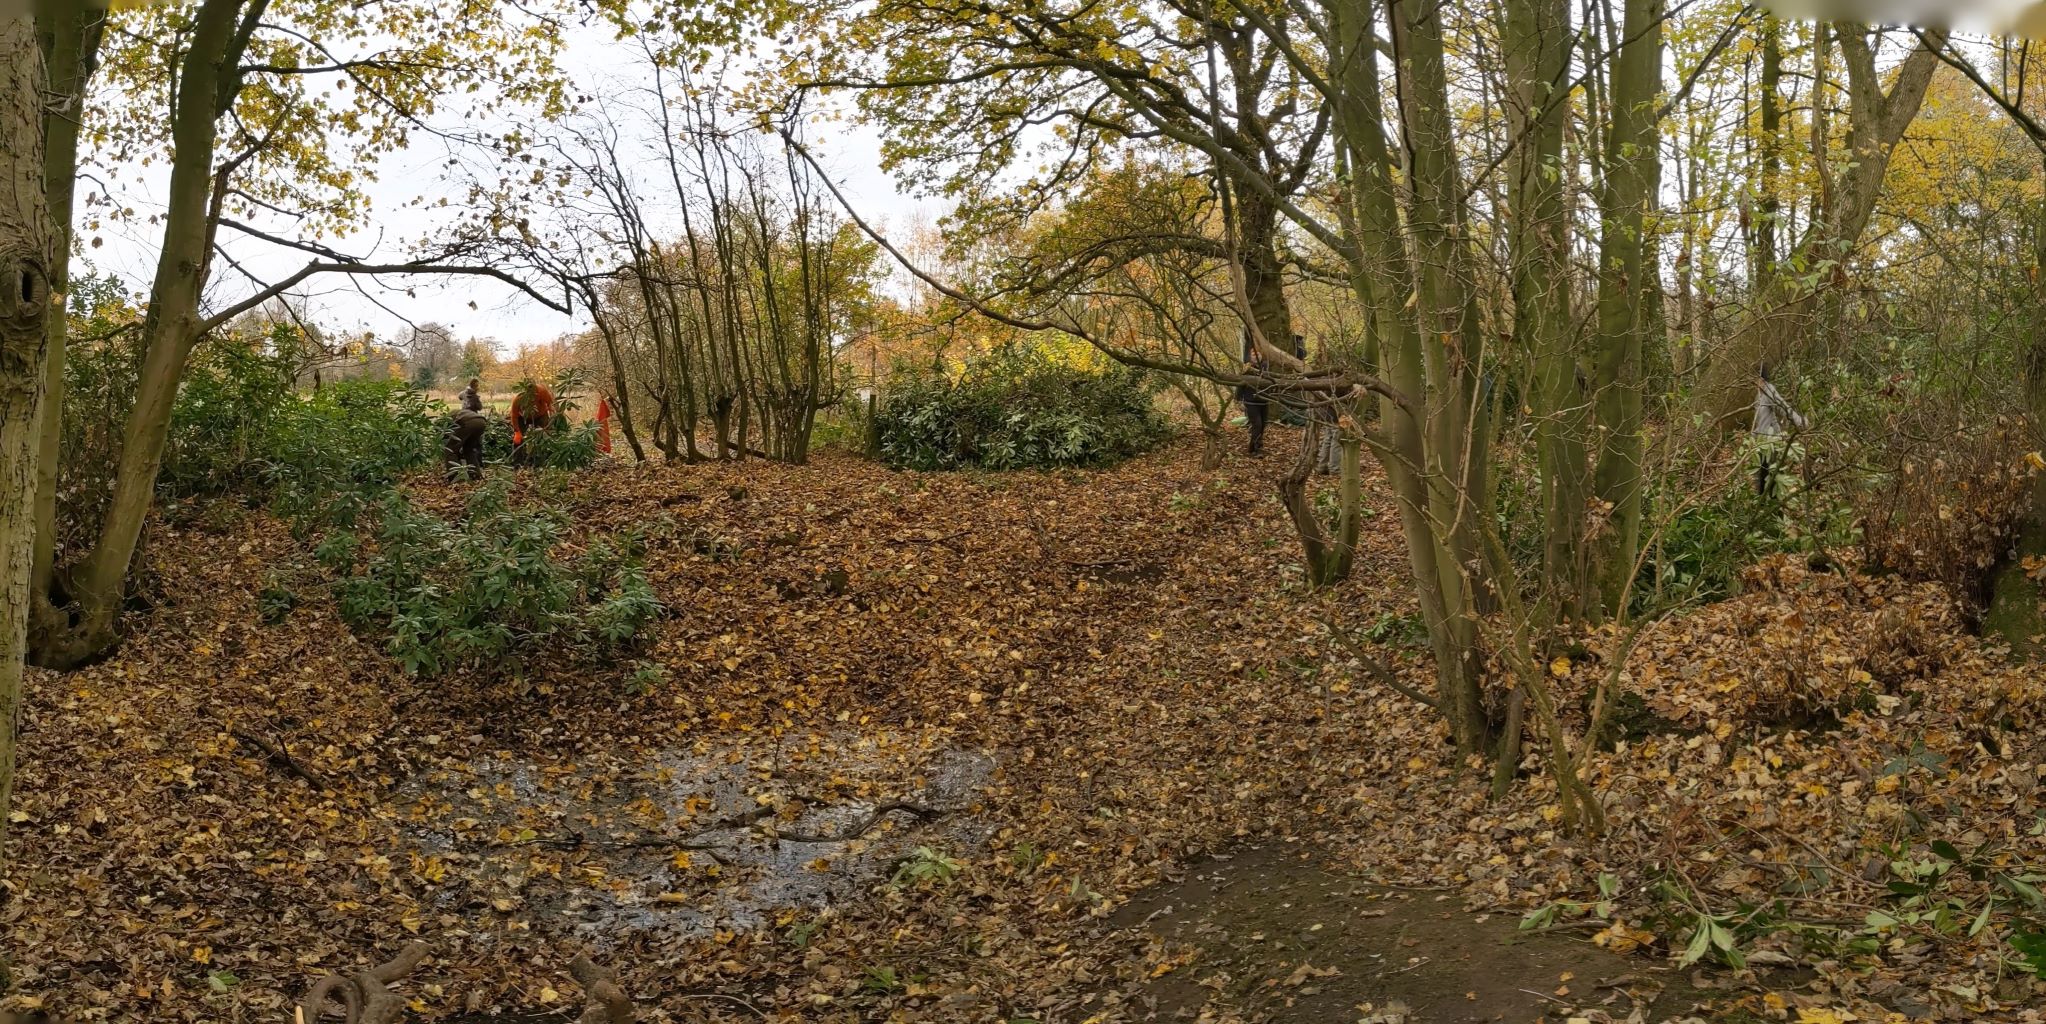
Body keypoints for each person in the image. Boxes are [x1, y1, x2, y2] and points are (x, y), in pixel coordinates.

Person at [1752, 364, 1806, 496]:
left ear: (1761, 378)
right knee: (1764, 474)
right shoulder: (1759, 394)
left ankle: (1770, 504)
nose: (1753, 381)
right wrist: (1753, 436)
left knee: (1768, 474)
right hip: (1762, 441)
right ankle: (1764, 503)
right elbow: (1765, 419)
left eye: (1755, 378)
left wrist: (1800, 421)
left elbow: (1783, 407)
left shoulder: (1769, 390)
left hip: (1769, 441)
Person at [1237, 330, 1270, 456]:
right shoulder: (1247, 368)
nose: (1256, 357)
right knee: (1257, 424)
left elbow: (1270, 382)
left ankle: (1252, 447)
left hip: (1264, 400)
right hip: (1251, 401)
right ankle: (1257, 449)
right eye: (1253, 355)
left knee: (1263, 425)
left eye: (1258, 355)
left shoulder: (1265, 367)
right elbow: (1240, 384)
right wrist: (1239, 399)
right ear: (1250, 357)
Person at [444, 408, 487, 481]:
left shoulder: (447, 419)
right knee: (469, 450)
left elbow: (447, 434)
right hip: (482, 422)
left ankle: (454, 477)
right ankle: (475, 475)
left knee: (450, 449)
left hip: (468, 422)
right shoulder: (460, 412)